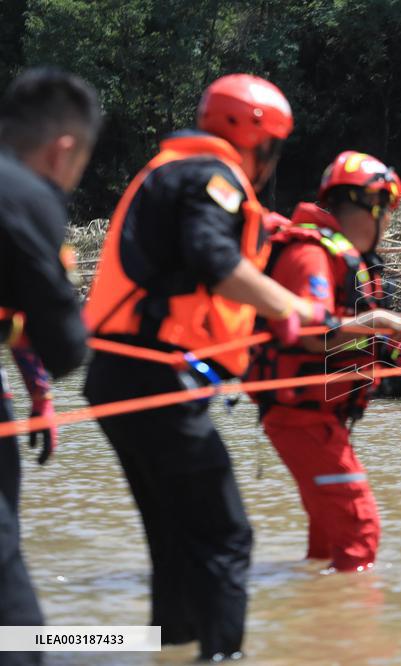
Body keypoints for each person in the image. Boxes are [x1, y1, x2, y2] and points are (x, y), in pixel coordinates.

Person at [82, 74, 326, 662]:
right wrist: (288, 305)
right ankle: (222, 656)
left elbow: (190, 266)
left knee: (175, 541)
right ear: (258, 139)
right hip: (154, 378)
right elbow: (213, 260)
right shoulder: (211, 177)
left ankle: (174, 647)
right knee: (226, 535)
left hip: (118, 376)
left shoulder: (177, 172)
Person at [249, 150, 401, 572]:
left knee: (328, 540)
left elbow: (370, 339)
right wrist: (385, 321)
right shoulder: (311, 254)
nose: (388, 226)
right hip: (301, 418)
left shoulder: (338, 257)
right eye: (388, 213)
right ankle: (351, 633)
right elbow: (313, 337)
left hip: (320, 418)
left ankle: (316, 617)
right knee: (360, 530)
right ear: (371, 207)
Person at [0, 67, 100, 666]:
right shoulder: (23, 192)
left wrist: (37, 397)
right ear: (63, 151)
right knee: (17, 622)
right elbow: (64, 345)